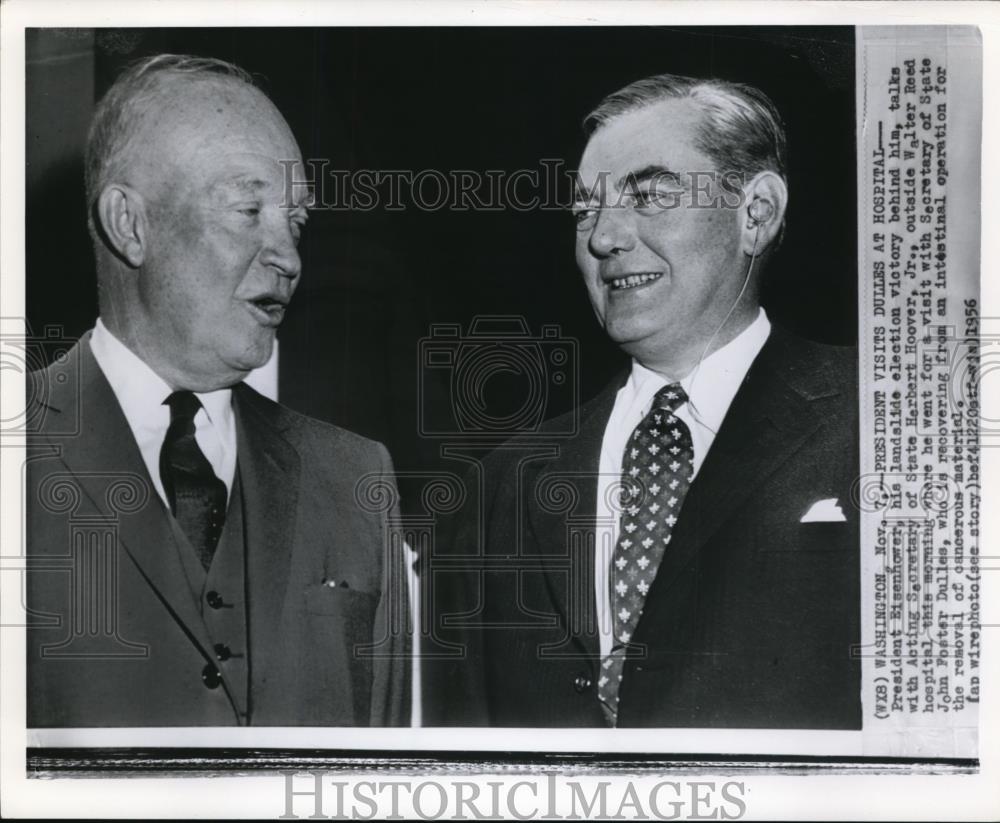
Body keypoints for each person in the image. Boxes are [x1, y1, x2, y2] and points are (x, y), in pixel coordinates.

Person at [428, 73, 860, 729]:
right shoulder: (496, 491)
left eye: (651, 194)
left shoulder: (885, 421)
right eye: (584, 211)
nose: (604, 236)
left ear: (758, 213)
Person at [26, 54, 409, 727]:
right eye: (248, 209)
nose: (288, 256)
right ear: (130, 224)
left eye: (295, 221)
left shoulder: (357, 482)